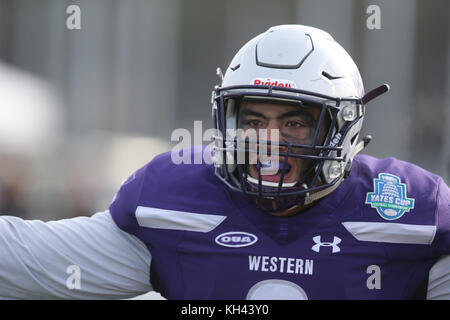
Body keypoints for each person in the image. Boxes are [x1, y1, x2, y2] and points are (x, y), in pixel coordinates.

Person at [0, 24, 449, 300]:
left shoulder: (413, 213)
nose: (269, 142)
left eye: (294, 122)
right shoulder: (174, 204)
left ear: (344, 128)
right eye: (252, 119)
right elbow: (24, 260)